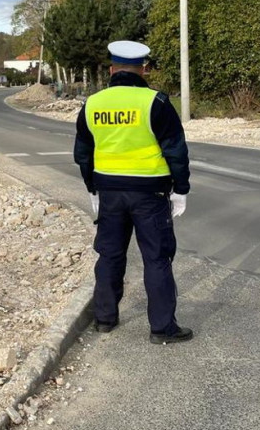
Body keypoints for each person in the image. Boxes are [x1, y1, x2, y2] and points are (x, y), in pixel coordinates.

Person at [73, 40, 192, 344]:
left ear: (111, 69)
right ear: (144, 69)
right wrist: (181, 189)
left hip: (109, 192)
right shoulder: (156, 103)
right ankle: (162, 328)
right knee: (156, 258)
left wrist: (92, 188)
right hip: (150, 194)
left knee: (110, 255)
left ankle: (104, 319)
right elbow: (175, 151)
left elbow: (83, 152)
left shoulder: (93, 104)